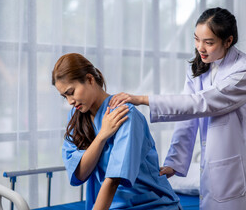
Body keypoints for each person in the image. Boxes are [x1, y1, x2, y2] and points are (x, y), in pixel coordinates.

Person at [109, 7, 246, 210]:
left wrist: (143, 99)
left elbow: (202, 103)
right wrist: (174, 161)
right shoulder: (199, 69)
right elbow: (188, 118)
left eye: (209, 42)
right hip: (218, 168)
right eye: (197, 39)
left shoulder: (244, 70)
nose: (201, 48)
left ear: (228, 41)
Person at [52, 53, 182, 210]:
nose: (70, 101)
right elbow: (80, 173)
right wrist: (101, 137)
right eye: (64, 96)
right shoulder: (75, 116)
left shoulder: (125, 114)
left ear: (90, 79)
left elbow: (114, 180)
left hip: (151, 204)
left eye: (71, 92)